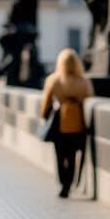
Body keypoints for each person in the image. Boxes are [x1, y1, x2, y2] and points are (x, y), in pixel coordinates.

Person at [39, 48, 94, 198]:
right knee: (71, 155)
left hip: (59, 122)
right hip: (77, 123)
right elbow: (89, 99)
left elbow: (46, 103)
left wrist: (44, 116)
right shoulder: (83, 82)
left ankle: (63, 182)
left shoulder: (54, 80)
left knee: (60, 154)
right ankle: (69, 183)